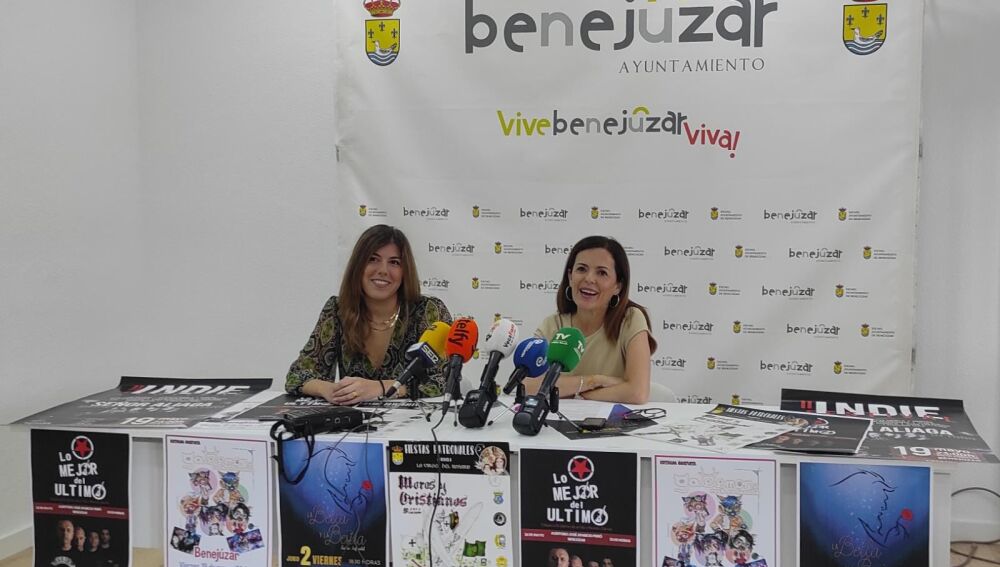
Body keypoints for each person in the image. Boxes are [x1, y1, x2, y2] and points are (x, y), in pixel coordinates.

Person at [286, 225, 452, 404]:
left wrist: (380, 387)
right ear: (358, 265)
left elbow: (444, 379)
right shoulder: (337, 309)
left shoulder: (428, 310)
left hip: (416, 420)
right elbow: (297, 375)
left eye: (394, 262)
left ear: (405, 271)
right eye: (373, 259)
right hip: (354, 420)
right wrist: (329, 389)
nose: (383, 270)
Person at [530, 236, 656, 404]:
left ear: (618, 286)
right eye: (582, 269)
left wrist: (574, 394)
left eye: (602, 273)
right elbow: (527, 386)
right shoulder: (552, 325)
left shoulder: (630, 319)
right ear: (570, 276)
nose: (589, 279)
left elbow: (637, 393)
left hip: (612, 420)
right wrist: (593, 381)